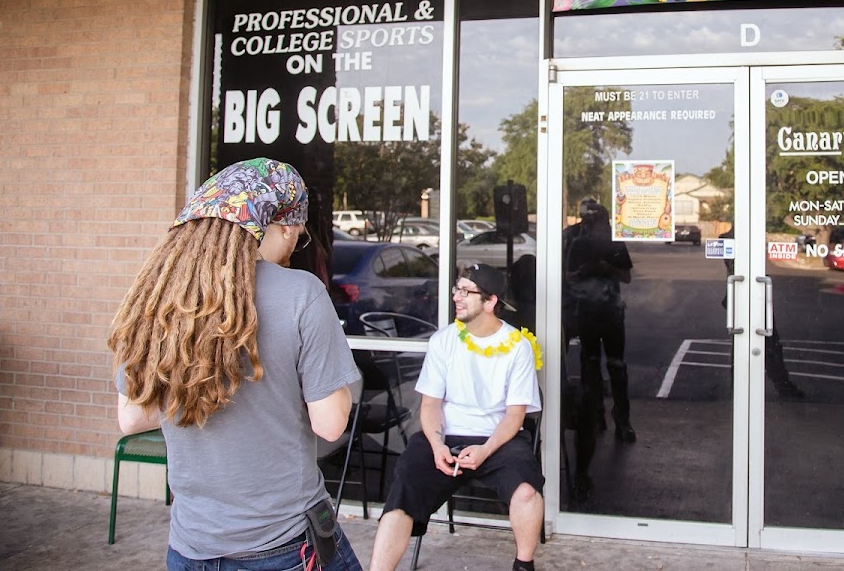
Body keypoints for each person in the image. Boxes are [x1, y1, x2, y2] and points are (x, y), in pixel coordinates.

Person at [107, 157, 364, 570]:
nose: (291, 252)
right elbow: (330, 424)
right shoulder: (302, 293)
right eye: (296, 239)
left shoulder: (161, 302)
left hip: (190, 547)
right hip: (285, 545)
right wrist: (342, 384)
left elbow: (132, 419)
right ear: (279, 226)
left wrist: (200, 384)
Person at [369, 263, 544, 571]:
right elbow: (431, 406)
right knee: (403, 491)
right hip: (445, 437)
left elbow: (515, 415)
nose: (457, 297)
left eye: (466, 291)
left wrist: (486, 449)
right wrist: (437, 448)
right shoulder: (444, 340)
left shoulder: (517, 346)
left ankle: (523, 564)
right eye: (456, 289)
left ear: (490, 302)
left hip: (498, 439)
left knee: (527, 490)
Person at [563, 198, 636, 444]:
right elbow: (567, 277)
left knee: (617, 366)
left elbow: (626, 276)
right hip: (587, 310)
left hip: (611, 310)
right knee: (590, 365)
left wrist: (606, 268)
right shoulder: (576, 241)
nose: (598, 226)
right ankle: (594, 415)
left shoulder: (613, 242)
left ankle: (622, 419)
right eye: (594, 221)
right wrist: (584, 272)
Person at [719, 229, 803, 399]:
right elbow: (736, 267)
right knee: (759, 344)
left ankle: (774, 386)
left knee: (763, 343)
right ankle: (752, 389)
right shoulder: (734, 239)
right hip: (746, 297)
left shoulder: (736, 238)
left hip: (751, 296)